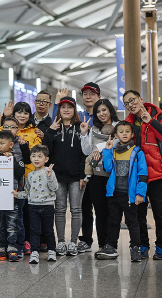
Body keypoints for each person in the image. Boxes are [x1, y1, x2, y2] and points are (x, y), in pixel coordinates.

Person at [123, 89, 162, 260]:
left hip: (158, 174)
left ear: (140, 99)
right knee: (139, 215)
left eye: (132, 100)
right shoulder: (128, 124)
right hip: (138, 177)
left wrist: (150, 121)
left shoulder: (159, 117)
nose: (130, 104)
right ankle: (142, 245)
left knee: (160, 214)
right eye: (126, 103)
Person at [95, 122, 148, 262]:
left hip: (129, 195)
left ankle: (136, 248)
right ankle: (111, 247)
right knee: (113, 221)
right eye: (121, 132)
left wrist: (140, 194)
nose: (124, 134)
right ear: (116, 135)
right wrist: (106, 150)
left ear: (132, 134)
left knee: (132, 222)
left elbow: (143, 174)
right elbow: (107, 168)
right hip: (114, 194)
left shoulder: (137, 152)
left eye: (127, 131)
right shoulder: (113, 151)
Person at [43, 96, 86, 257]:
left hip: (76, 177)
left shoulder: (80, 127)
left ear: (74, 110)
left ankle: (73, 243)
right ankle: (61, 242)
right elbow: (46, 151)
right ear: (59, 110)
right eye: (63, 107)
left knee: (76, 210)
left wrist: (83, 175)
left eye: (70, 107)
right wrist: (50, 131)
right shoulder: (54, 128)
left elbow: (84, 154)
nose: (66, 109)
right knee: (59, 209)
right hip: (58, 177)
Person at [78, 99, 120, 253]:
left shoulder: (118, 126)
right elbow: (86, 150)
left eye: (104, 110)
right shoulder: (93, 128)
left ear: (110, 110)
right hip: (96, 176)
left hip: (114, 175)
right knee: (100, 211)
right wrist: (84, 134)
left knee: (113, 211)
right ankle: (102, 245)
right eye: (98, 111)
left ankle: (112, 244)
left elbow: (121, 145)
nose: (101, 114)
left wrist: (103, 148)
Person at [0, 130, 25, 262]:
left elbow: (20, 172)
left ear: (11, 144)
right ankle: (0, 249)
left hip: (12, 198)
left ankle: (12, 249)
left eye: (2, 143)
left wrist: (11, 159)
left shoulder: (17, 157)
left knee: (12, 225)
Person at [13, 145, 58, 264]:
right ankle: (34, 252)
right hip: (33, 206)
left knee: (48, 230)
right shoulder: (30, 175)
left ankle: (52, 251)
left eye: (39, 156)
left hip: (47, 205)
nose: (36, 159)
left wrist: (49, 177)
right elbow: (27, 192)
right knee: (34, 230)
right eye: (33, 156)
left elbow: (54, 188)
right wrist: (18, 194)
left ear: (46, 159)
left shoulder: (49, 171)